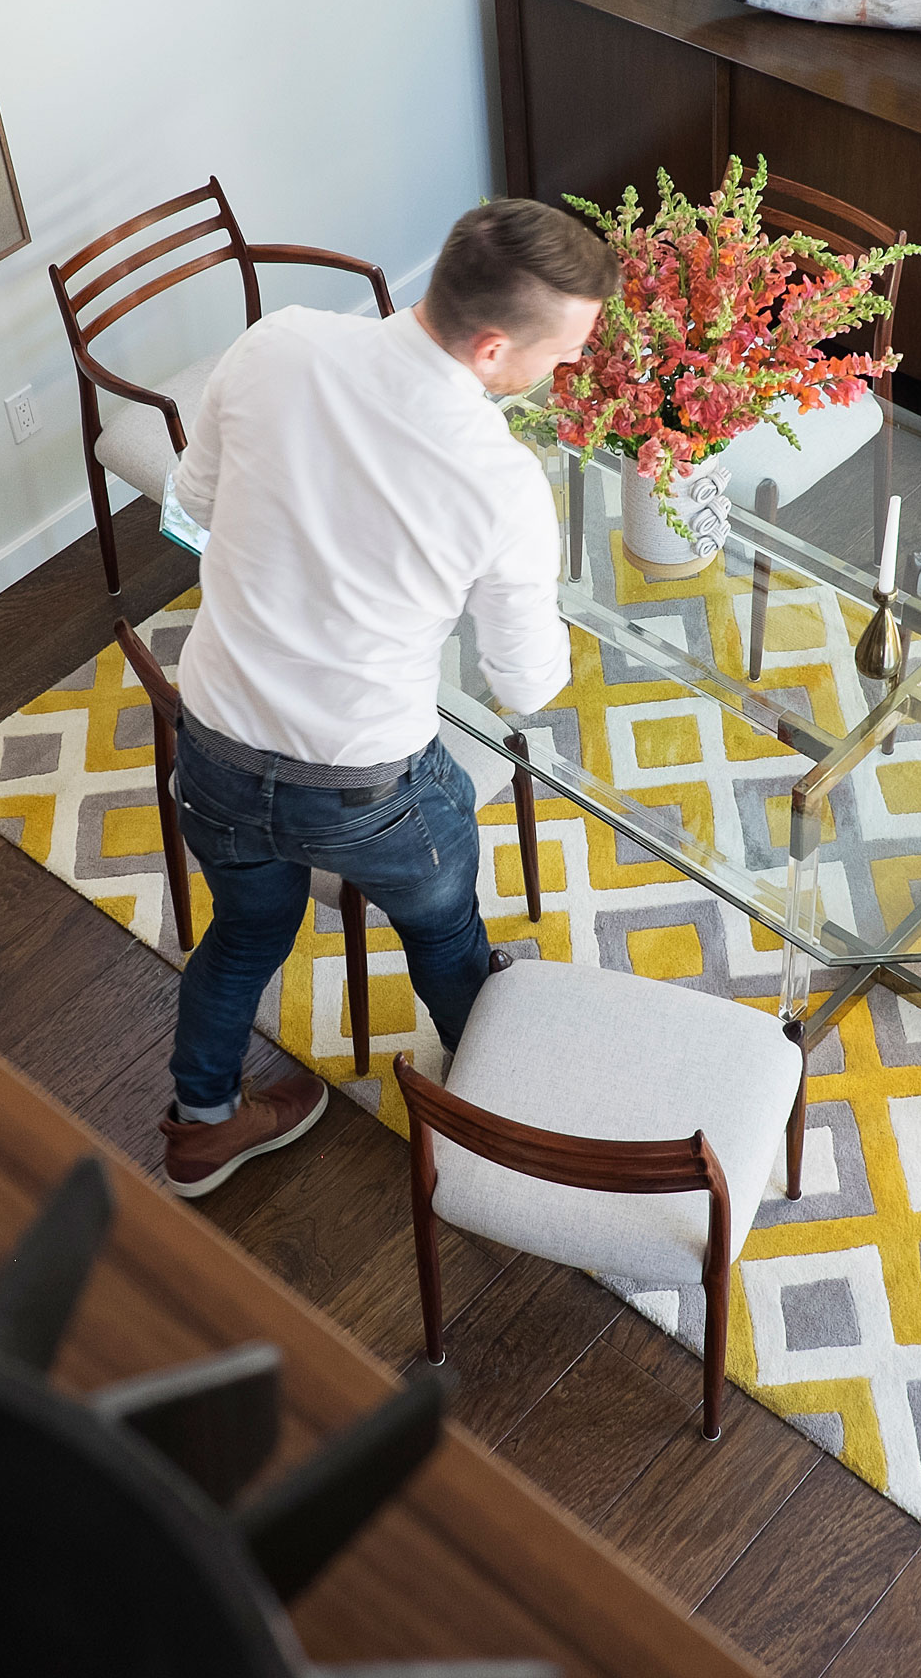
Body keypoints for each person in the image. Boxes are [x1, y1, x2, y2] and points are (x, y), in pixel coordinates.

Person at [158, 198, 619, 1197]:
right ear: (493, 347)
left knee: (242, 931)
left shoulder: (275, 341)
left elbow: (189, 510)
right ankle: (493, 1127)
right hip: (366, 783)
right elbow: (524, 683)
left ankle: (200, 1124)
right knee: (445, 930)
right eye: (564, 351)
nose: (567, 370)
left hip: (213, 746)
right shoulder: (500, 482)